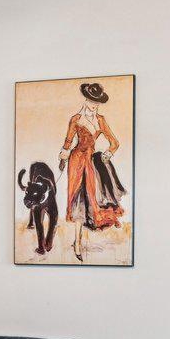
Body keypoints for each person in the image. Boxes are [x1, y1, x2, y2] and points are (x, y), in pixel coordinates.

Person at [57, 81, 126, 260]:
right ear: (86, 100)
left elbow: (115, 143)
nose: (94, 106)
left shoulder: (101, 120)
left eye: (97, 103)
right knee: (77, 197)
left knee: (92, 196)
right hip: (76, 160)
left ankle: (83, 238)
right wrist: (63, 158)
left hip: (90, 160)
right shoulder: (76, 119)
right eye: (91, 102)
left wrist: (107, 154)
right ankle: (77, 242)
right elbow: (68, 141)